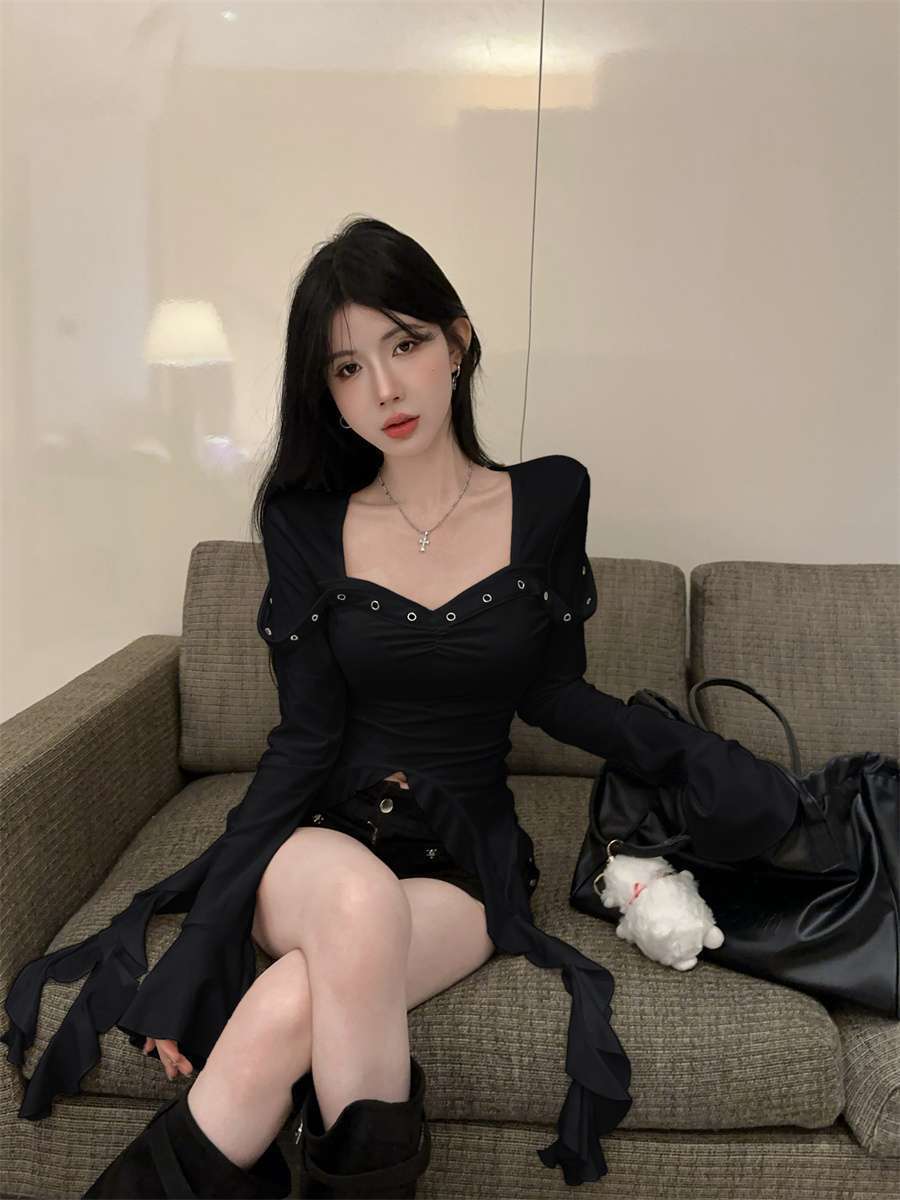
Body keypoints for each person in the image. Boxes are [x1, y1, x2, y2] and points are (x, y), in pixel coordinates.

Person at [4, 217, 793, 1198]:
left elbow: (553, 693)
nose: (382, 388)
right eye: (347, 367)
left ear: (457, 343)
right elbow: (303, 743)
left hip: (464, 866)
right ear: (327, 394)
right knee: (355, 901)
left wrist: (694, 755)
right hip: (318, 847)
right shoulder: (305, 525)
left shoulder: (550, 498)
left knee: (283, 1012)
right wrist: (202, 944)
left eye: (404, 344)